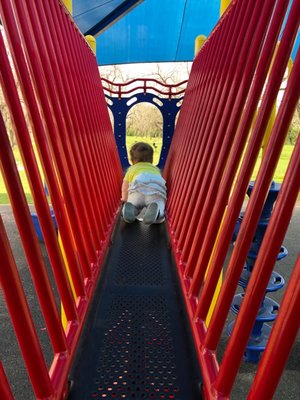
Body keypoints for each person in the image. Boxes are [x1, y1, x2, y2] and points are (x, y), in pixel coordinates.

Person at [121, 142, 166, 224]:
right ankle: (157, 210)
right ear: (151, 159)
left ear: (132, 160)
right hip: (155, 191)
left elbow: (125, 186)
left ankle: (132, 208)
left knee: (134, 203)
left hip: (138, 190)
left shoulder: (131, 169)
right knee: (159, 204)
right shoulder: (155, 169)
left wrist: (125, 199)